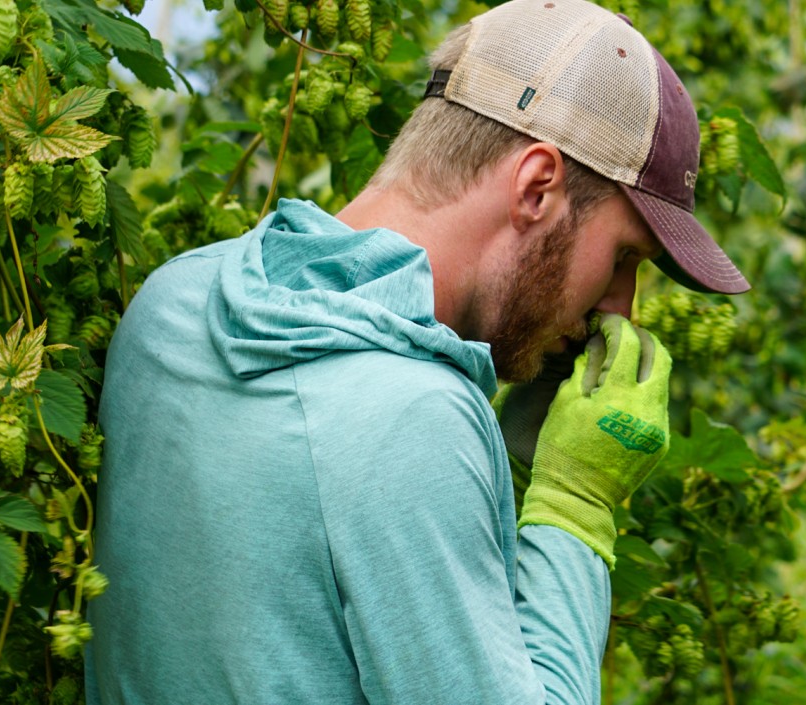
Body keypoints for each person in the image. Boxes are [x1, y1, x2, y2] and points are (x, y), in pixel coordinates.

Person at [83, 0, 750, 702]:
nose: (620, 307)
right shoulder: (412, 419)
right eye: (622, 258)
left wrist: (504, 444)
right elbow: (374, 444)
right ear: (537, 186)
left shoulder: (172, 302)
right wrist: (575, 501)